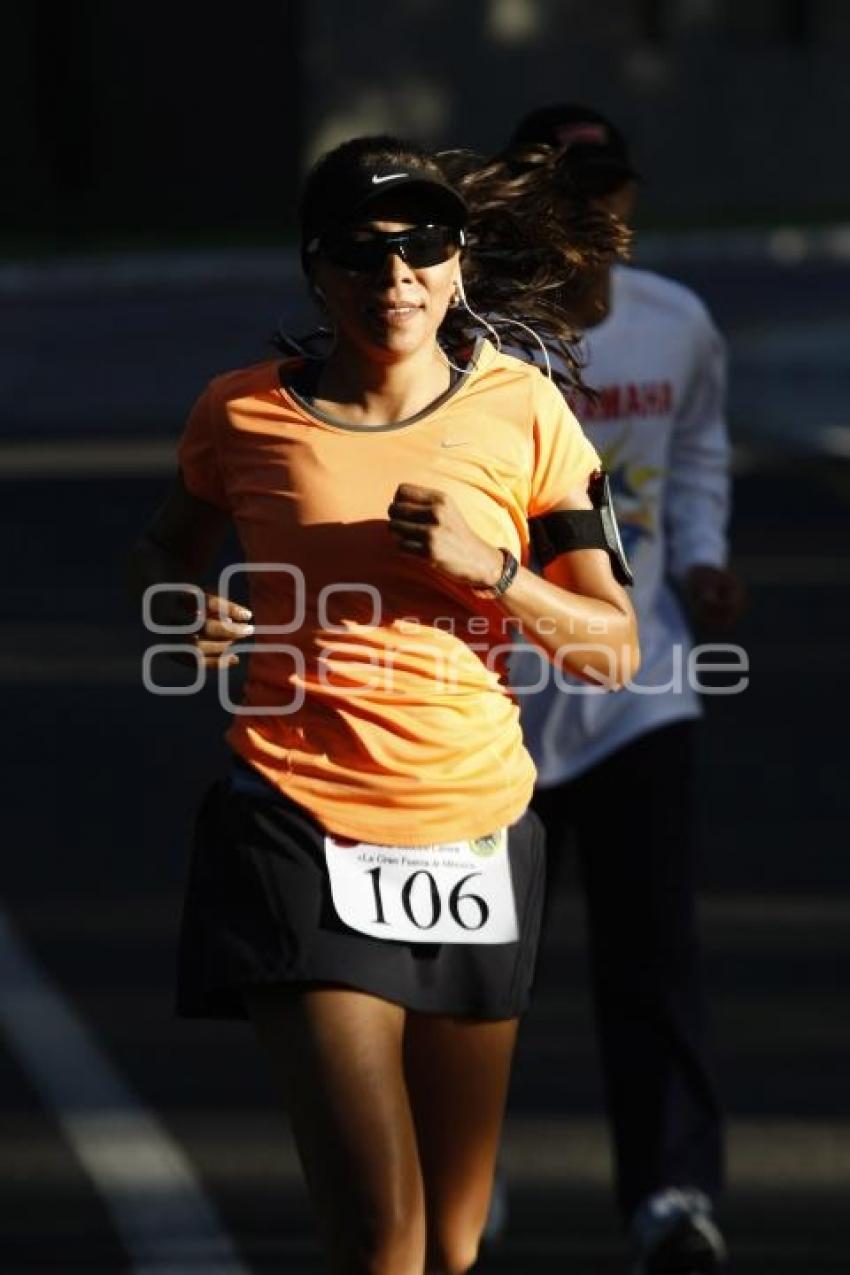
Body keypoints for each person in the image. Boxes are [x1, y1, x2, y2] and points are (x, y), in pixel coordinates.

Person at [129, 134, 638, 1275]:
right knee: (382, 1235)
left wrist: (492, 571)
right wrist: (187, 605)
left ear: (457, 262)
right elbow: (163, 554)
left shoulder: (525, 414)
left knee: (452, 1244)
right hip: (297, 820)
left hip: (478, 833)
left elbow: (614, 649)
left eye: (422, 246)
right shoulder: (243, 414)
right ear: (317, 270)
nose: (395, 276)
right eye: (363, 253)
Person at [506, 104, 746, 1274]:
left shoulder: (676, 328)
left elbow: (697, 451)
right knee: (475, 966)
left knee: (653, 956)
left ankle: (670, 1194)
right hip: (491, 704)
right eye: (566, 191)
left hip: (641, 686)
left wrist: (699, 556)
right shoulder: (479, 346)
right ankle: (461, 1174)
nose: (596, 216)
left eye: (608, 191)